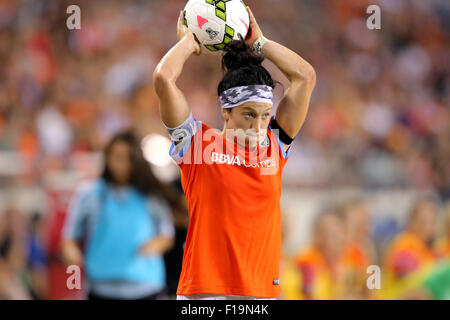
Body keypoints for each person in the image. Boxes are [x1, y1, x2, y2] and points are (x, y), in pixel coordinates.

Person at [153, 7, 315, 300]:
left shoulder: (275, 145)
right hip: (204, 294)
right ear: (225, 111)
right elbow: (164, 79)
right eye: (248, 114)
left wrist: (260, 43)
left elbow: (305, 77)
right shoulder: (197, 145)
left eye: (266, 115)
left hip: (262, 294)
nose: (258, 125)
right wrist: (189, 42)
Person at [61, 130, 178, 300]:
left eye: (127, 158)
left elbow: (167, 234)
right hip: (100, 286)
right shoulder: (89, 193)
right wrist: (72, 254)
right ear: (107, 157)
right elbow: (70, 236)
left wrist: (152, 246)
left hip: (146, 286)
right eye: (117, 156)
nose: (121, 164)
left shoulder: (151, 195)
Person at [381, 198, 439, 299]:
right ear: (411, 220)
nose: (428, 226)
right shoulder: (404, 243)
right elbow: (406, 273)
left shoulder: (428, 249)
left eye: (432, 222)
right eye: (423, 221)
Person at [294, 209, 347, 300]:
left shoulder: (347, 257)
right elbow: (310, 296)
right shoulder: (307, 259)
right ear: (316, 234)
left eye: (336, 232)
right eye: (325, 231)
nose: (330, 238)